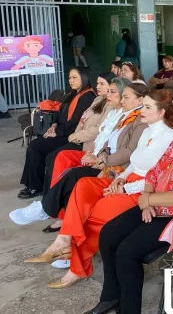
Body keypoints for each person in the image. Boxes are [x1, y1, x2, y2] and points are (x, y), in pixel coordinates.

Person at [80, 96, 173, 314]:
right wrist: (148, 199)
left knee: (128, 251)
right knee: (109, 234)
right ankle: (111, 296)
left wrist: (148, 199)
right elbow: (154, 172)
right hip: (156, 205)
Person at [24, 90, 173, 287]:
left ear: (162, 112)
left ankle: (76, 269)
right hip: (127, 181)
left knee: (95, 212)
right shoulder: (148, 130)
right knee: (83, 185)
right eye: (144, 106)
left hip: (142, 191)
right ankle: (63, 240)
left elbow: (158, 178)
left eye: (148, 107)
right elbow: (134, 163)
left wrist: (126, 188)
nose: (143, 110)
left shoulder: (170, 137)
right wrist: (121, 178)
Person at [9, 73, 114, 225]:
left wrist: (72, 136)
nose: (98, 87)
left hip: (84, 143)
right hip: (78, 138)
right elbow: (76, 119)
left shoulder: (94, 98)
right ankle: (42, 195)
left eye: (103, 84)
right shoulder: (95, 99)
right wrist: (55, 126)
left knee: (54, 158)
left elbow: (97, 130)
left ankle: (47, 204)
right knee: (43, 151)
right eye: (70, 77)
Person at [40, 83, 149, 224]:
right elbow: (108, 138)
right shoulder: (124, 115)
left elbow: (130, 151)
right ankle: (55, 212)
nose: (122, 100)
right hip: (104, 158)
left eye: (126, 97)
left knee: (75, 176)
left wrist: (102, 160)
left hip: (117, 167)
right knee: (68, 169)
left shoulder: (140, 120)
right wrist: (100, 154)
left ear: (140, 100)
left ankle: (49, 210)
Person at [17, 68, 96, 199]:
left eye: (75, 77)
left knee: (35, 147)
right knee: (35, 145)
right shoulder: (73, 94)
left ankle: (36, 186)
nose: (71, 81)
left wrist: (56, 132)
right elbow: (60, 114)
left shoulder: (88, 96)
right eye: (70, 78)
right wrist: (54, 125)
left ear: (84, 78)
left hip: (70, 135)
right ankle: (32, 184)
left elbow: (75, 123)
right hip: (61, 130)